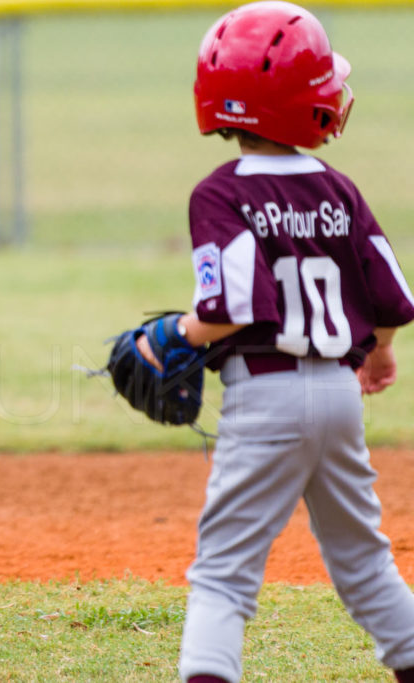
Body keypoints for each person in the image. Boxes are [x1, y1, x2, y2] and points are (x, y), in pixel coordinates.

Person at [134, 3, 414, 681]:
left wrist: (168, 334)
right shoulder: (338, 188)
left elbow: (229, 309)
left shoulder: (220, 193)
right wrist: (376, 350)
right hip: (340, 397)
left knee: (224, 577)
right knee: (366, 562)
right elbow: (390, 298)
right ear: (304, 103)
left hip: (266, 393)